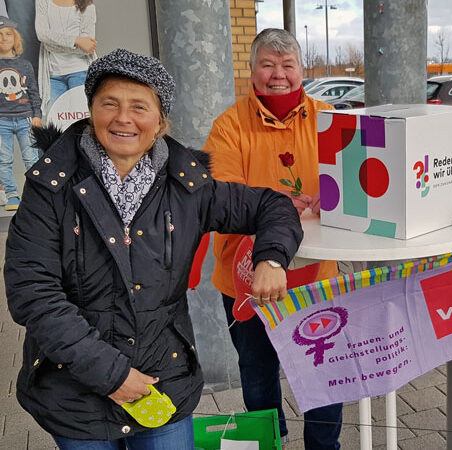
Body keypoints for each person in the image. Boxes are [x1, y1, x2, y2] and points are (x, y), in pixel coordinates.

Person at [4, 48, 303, 449]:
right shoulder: (50, 187)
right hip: (76, 391)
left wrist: (271, 258)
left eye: (139, 106)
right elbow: (33, 294)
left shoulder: (188, 187)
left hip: (164, 383)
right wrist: (111, 375)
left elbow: (273, 206)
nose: (123, 118)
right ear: (91, 110)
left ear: (160, 121)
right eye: (110, 103)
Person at [204, 28, 343, 449]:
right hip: (246, 276)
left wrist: (334, 198)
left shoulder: (329, 117)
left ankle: (324, 446)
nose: (277, 75)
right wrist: (278, 201)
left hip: (318, 271)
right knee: (258, 372)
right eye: (267, 65)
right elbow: (221, 197)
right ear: (252, 70)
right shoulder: (229, 126)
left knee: (323, 372)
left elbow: (356, 183)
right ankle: (270, 443)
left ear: (301, 70)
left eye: (287, 65)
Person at [0, 16, 42, 211]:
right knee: (4, 159)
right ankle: (12, 196)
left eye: (8, 34)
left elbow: (33, 91)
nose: (3, 38)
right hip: (2, 121)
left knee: (31, 158)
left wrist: (37, 115)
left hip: (26, 117)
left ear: (15, 38)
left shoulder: (25, 65)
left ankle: (36, 195)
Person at [35, 0, 96, 109]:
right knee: (53, 121)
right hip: (53, 74)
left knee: (81, 120)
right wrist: (76, 40)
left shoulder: (88, 5)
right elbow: (42, 34)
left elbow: (87, 48)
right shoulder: (43, 1)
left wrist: (52, 43)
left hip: (80, 71)